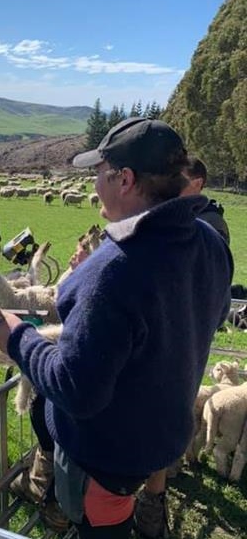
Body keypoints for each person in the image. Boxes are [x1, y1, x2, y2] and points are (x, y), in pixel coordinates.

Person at [0, 118, 233, 538]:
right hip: (159, 436)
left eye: (98, 173)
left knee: (102, 527)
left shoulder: (113, 270)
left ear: (126, 179)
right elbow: (209, 316)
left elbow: (77, 388)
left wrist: (18, 339)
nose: (93, 184)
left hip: (106, 455)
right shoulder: (209, 244)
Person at [135, 154, 231, 539]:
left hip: (186, 327)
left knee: (169, 407)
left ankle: (154, 496)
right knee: (158, 409)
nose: (176, 185)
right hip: (170, 326)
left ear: (199, 183)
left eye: (183, 179)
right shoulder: (181, 220)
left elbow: (211, 281)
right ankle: (155, 484)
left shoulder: (209, 226)